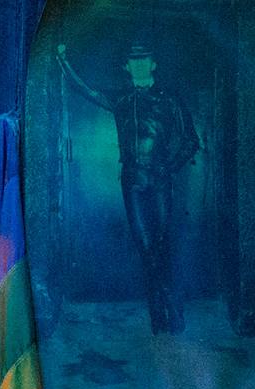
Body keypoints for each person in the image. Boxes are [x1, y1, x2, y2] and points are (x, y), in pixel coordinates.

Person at [58, 42, 201, 335]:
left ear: (153, 64)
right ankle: (160, 315)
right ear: (127, 67)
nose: (138, 65)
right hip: (133, 183)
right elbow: (85, 89)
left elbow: (191, 141)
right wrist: (62, 60)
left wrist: (169, 167)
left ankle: (168, 310)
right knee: (147, 248)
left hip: (160, 181)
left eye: (143, 59)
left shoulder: (169, 99)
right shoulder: (122, 100)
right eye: (133, 60)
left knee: (161, 246)